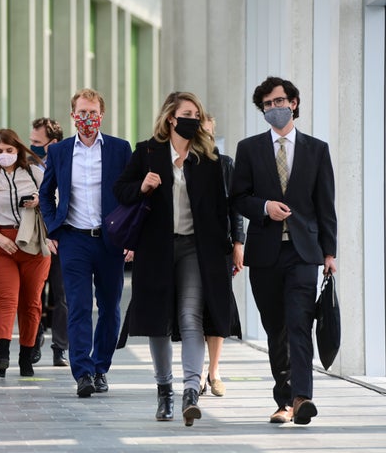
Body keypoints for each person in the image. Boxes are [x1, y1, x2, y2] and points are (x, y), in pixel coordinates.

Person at [113, 91, 240, 426]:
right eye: (187, 113)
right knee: (157, 320)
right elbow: (120, 191)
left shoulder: (207, 158)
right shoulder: (147, 152)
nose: (193, 119)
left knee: (190, 316)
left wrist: (231, 245)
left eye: (196, 114)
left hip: (195, 249)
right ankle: (164, 391)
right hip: (156, 249)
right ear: (171, 117)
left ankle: (189, 392)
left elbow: (222, 208)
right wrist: (143, 185)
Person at [230, 76, 337, 425]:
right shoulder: (248, 149)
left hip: (304, 253)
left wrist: (330, 253)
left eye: (279, 102)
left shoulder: (317, 149)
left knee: (299, 323)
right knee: (276, 327)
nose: (273, 108)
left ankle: (302, 397)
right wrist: (264, 208)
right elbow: (238, 198)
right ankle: (284, 399)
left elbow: (326, 205)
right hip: (265, 254)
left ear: (293, 102)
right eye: (267, 104)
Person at [39, 88, 132, 398]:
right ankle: (82, 373)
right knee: (78, 306)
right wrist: (53, 229)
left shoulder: (120, 149)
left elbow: (132, 197)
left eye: (93, 112)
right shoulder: (60, 151)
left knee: (109, 307)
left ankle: (101, 367)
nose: (87, 118)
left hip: (110, 241)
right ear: (72, 114)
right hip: (73, 239)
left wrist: (132, 237)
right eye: (82, 112)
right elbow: (45, 194)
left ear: (101, 115)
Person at [0, 129, 50, 377]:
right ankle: (2, 353)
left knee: (31, 303)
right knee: (6, 299)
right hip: (0, 245)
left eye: (9, 150)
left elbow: (55, 200)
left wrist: (40, 201)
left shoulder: (35, 173)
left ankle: (26, 358)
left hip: (33, 242)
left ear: (18, 150)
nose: (4, 155)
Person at [198, 116, 245, 398]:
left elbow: (235, 207)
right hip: (188, 246)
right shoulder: (180, 164)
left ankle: (213, 371)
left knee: (218, 307)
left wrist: (238, 243)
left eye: (206, 132)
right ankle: (197, 371)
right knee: (192, 309)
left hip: (219, 247)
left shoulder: (225, 164)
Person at [28, 117, 69, 367]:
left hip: (62, 237)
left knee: (62, 295)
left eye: (36, 142)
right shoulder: (23, 166)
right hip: (36, 238)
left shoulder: (68, 163)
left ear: (52, 143)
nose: (30, 146)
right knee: (34, 295)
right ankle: (33, 344)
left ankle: (60, 348)